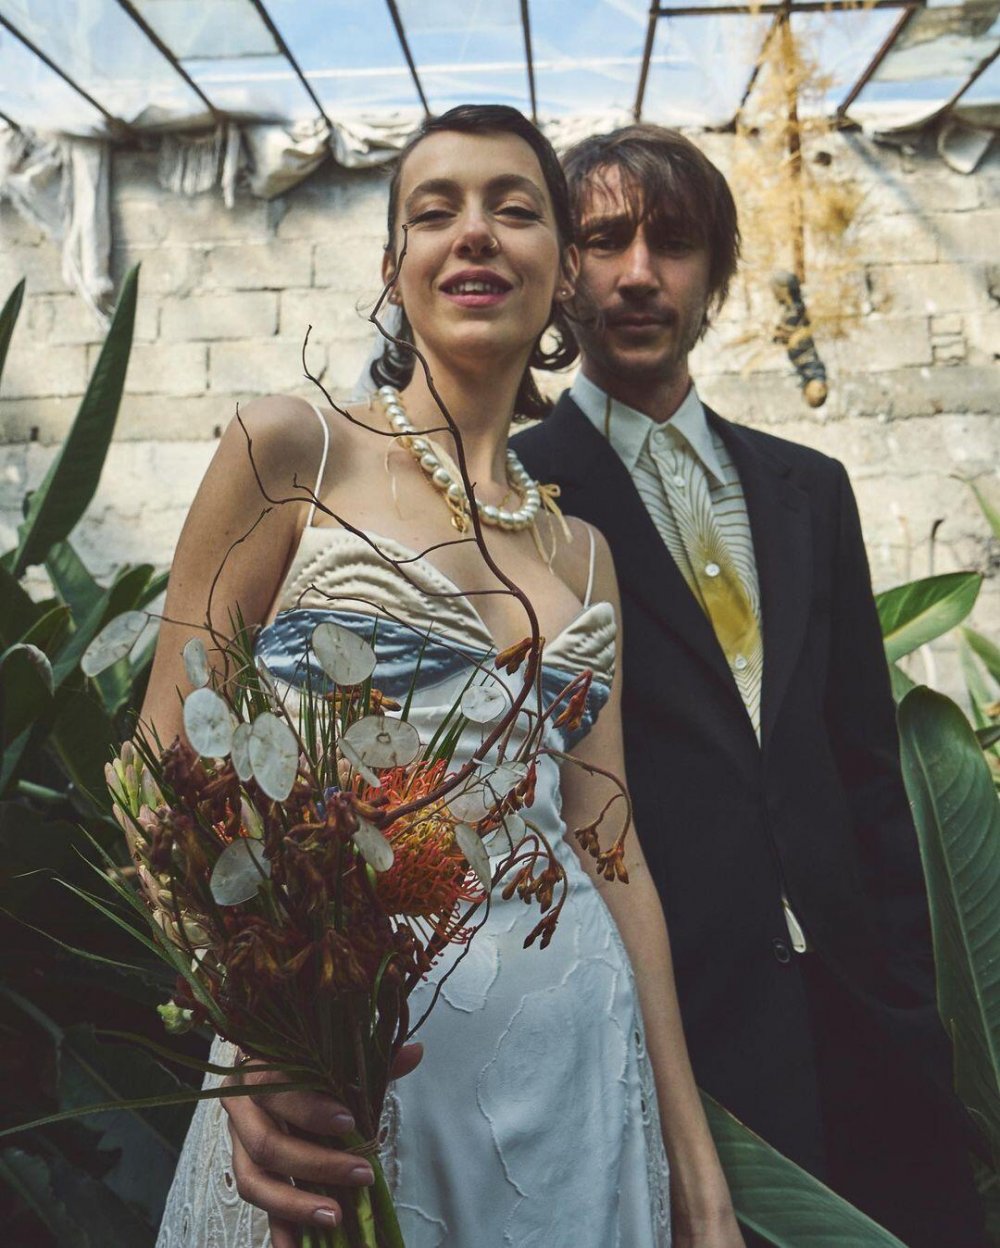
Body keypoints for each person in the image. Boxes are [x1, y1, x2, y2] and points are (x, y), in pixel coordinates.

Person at [145, 106, 744, 1248]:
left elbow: (611, 853)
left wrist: (697, 1168)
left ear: (563, 274)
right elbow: (157, 769)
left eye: (514, 209)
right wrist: (261, 1036)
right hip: (338, 1067)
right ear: (394, 266)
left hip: (576, 1074)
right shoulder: (289, 451)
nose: (475, 231)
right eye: (436, 211)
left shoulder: (584, 555)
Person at [512, 123, 985, 1248]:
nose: (639, 273)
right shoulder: (519, 494)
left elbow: (864, 764)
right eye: (605, 240)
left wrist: (913, 998)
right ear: (562, 273)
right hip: (674, 1039)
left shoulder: (808, 488)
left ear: (716, 273)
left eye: (674, 242)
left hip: (866, 1026)